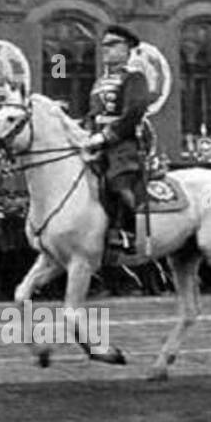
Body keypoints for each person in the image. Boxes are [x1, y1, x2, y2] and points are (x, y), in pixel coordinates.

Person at [83, 24, 152, 252]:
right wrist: (84, 134)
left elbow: (134, 112)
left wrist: (106, 137)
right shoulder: (98, 82)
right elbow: (92, 114)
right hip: (97, 142)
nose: (106, 50)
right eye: (104, 46)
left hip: (123, 143)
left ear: (127, 50)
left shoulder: (134, 78)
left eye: (113, 45)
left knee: (118, 181)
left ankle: (129, 231)